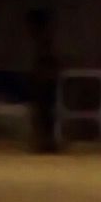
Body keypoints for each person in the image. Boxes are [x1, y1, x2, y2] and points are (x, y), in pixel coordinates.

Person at [26, 8, 61, 154]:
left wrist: (44, 75)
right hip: (45, 78)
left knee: (45, 112)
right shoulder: (44, 41)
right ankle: (44, 141)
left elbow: (47, 60)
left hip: (45, 79)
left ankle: (45, 142)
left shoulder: (44, 41)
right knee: (44, 112)